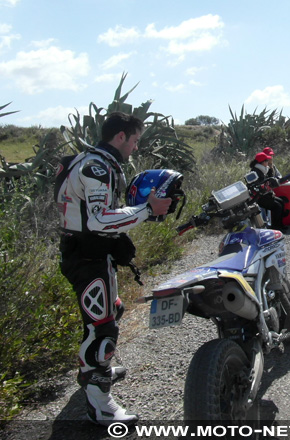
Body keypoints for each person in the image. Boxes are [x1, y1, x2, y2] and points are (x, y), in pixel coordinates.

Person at [55, 112, 172, 426]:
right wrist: (147, 210)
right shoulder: (97, 167)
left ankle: (91, 370)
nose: (135, 148)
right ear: (120, 136)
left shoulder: (87, 158)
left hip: (89, 254)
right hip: (88, 257)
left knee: (111, 311)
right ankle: (99, 402)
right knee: (103, 328)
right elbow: (98, 219)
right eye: (134, 141)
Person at [249, 151, 287, 231]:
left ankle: (280, 224)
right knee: (277, 207)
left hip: (266, 195)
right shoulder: (255, 172)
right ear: (262, 162)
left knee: (281, 202)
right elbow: (260, 186)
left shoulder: (263, 170)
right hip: (259, 198)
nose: (268, 162)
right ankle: (276, 227)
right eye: (266, 160)